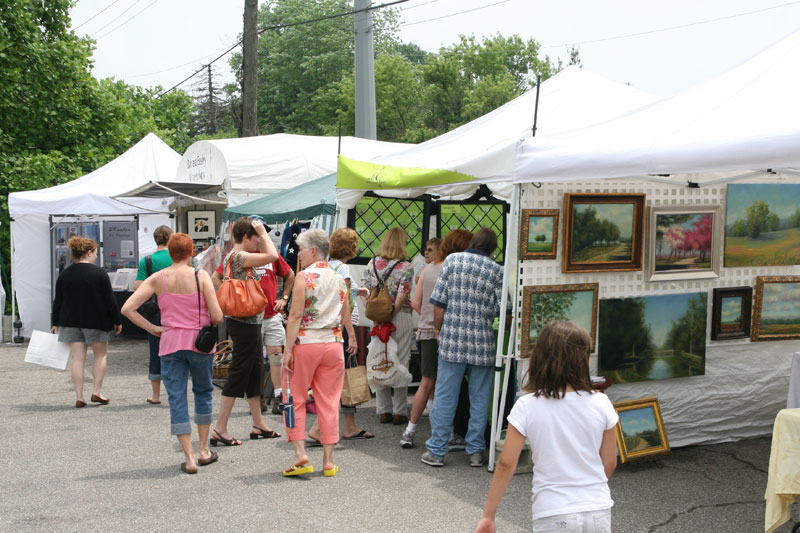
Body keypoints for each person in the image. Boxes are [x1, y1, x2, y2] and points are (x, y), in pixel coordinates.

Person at [475, 321, 619, 533]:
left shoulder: (526, 405)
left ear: (540, 358)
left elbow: (506, 463)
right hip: (597, 508)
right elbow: (609, 463)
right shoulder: (601, 402)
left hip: (553, 510)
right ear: (583, 360)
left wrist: (488, 515)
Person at [122, 233, 224, 474]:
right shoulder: (202, 277)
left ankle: (189, 458)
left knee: (177, 397)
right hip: (200, 344)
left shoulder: (159, 278)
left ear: (170, 253)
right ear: (191, 253)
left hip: (169, 344)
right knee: (203, 392)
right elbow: (217, 316)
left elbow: (128, 308)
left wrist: (153, 328)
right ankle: (204, 451)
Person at [422, 228, 503, 468]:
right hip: (483, 344)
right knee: (479, 399)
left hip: (452, 341)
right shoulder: (496, 270)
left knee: (446, 397)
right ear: (492, 249)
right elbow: (503, 312)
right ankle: (476, 451)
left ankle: (437, 450)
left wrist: (438, 331)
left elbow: (439, 303)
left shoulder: (452, 261)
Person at [281, 229, 357, 477]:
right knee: (329, 401)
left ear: (313, 250)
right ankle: (328, 460)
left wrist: (288, 349)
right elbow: (346, 311)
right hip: (333, 344)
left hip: (306, 342)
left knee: (294, 398)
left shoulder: (304, 276)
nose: (298, 255)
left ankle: (300, 453)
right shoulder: (338, 277)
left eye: (301, 250)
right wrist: (351, 337)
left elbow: (295, 315)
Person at [211, 216, 281, 446]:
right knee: (240, 371)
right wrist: (264, 233)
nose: (258, 243)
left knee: (254, 370)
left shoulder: (234, 255)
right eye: (255, 239)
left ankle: (258, 423)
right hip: (245, 322)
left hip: (247, 321)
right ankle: (220, 428)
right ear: (247, 237)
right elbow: (273, 256)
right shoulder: (239, 255)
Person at [401, 230, 472, 449]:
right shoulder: (453, 270)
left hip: (425, 331)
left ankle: (410, 431)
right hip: (448, 332)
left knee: (426, 382)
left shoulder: (426, 271)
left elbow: (416, 303)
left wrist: (426, 315)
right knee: (447, 384)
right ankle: (448, 432)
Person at [212, 235, 294, 416]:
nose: (259, 239)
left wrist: (284, 298)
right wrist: (230, 299)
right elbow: (216, 277)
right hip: (248, 317)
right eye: (257, 235)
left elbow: (289, 274)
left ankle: (278, 397)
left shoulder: (269, 255)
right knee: (252, 362)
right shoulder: (241, 256)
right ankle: (259, 400)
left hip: (270, 315)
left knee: (275, 357)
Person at [307, 227, 374, 443]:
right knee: (338, 378)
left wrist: (360, 291)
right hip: (343, 327)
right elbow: (343, 302)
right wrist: (353, 336)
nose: (358, 247)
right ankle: (317, 429)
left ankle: (350, 426)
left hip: (329, 325)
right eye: (355, 244)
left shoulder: (328, 265)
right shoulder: (343, 269)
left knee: (339, 377)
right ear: (350, 247)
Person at [52, 237, 122, 408]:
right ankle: (96, 392)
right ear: (89, 253)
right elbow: (110, 300)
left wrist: (55, 322)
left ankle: (79, 396)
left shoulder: (65, 275)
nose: (96, 257)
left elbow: (58, 301)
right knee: (100, 356)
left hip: (69, 322)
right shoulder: (99, 273)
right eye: (96, 253)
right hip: (96, 321)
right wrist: (117, 320)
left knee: (78, 359)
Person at [358, 227, 415, 425]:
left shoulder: (372, 263)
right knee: (400, 360)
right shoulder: (406, 266)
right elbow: (402, 295)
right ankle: (400, 411)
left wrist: (373, 311)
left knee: (379, 357)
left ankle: (383, 409)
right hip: (400, 318)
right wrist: (391, 313)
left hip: (377, 318)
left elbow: (363, 290)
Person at [134, 225, 174, 405]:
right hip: (177, 308)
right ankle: (175, 392)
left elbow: (137, 286)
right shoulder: (177, 258)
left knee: (155, 351)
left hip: (155, 310)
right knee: (177, 350)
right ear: (170, 238)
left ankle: (156, 395)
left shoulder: (147, 260)